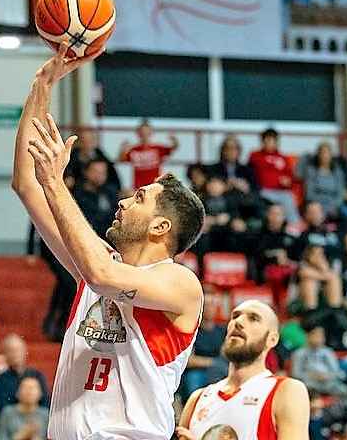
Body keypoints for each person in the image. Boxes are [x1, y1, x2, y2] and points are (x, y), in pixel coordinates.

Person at [13, 50, 208, 440]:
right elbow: (26, 184)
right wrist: (42, 86)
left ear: (161, 226)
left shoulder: (180, 283)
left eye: (138, 198)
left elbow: (102, 276)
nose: (122, 201)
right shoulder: (97, 264)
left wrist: (56, 182)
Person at [177, 301, 310, 440]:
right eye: (235, 316)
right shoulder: (197, 398)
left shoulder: (286, 391)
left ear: (272, 339)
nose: (238, 322)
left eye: (253, 318)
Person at [248, 128, 300, 223]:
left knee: (288, 197)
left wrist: (288, 181)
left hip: (281, 192)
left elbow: (291, 178)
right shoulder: (255, 156)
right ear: (263, 141)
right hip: (263, 190)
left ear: (277, 142)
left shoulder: (284, 158)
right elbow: (250, 174)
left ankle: (295, 226)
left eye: (273, 141)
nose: (270, 143)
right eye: (267, 140)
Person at [0, 335, 49, 415]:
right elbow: (2, 408)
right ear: (5, 354)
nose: (15, 354)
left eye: (17, 350)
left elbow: (45, 402)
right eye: (10, 350)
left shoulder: (37, 376)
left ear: (25, 352)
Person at [289, 324, 347, 396]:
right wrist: (312, 375)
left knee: (344, 390)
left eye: (321, 336)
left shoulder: (328, 352)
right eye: (316, 335)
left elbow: (339, 373)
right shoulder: (299, 353)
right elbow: (295, 374)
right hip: (309, 384)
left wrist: (327, 375)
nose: (319, 339)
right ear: (308, 336)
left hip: (328, 383)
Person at [118, 119, 178, 189]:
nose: (144, 134)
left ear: (150, 132)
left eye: (146, 131)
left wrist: (174, 140)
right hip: (139, 187)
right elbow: (121, 159)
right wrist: (123, 150)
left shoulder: (157, 148)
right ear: (138, 133)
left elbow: (173, 148)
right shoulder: (133, 150)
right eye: (142, 132)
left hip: (155, 186)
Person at [296, 142, 347, 220]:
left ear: (331, 155)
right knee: (315, 212)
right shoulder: (311, 171)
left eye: (327, 153)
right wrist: (322, 205)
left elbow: (340, 193)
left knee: (346, 212)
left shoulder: (337, 171)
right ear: (318, 155)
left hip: (334, 205)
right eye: (322, 153)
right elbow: (309, 194)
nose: (325, 156)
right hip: (316, 204)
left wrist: (332, 205)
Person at [72, 159, 121, 237]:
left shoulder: (110, 191)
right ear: (86, 172)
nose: (100, 176)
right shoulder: (77, 195)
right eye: (96, 172)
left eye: (103, 172)